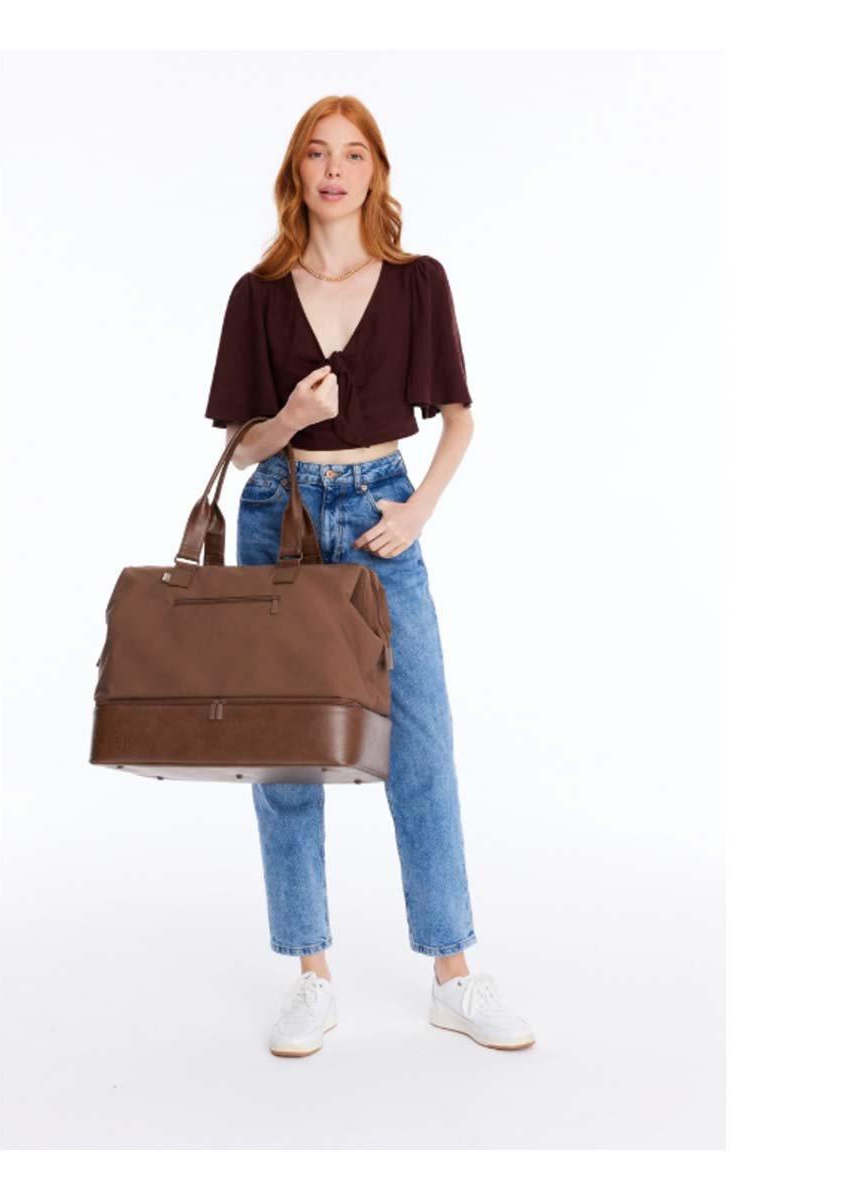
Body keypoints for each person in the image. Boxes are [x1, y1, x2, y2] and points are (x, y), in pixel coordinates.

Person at [204, 96, 535, 1057]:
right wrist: (293, 419)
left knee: (420, 743)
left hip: (383, 514)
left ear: (376, 172)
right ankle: (310, 974)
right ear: (296, 171)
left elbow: (459, 419)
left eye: (353, 155)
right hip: (281, 518)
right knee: (287, 750)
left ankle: (453, 975)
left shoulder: (418, 282)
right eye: (318, 154)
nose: (335, 171)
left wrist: (418, 509)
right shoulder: (258, 294)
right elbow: (241, 447)